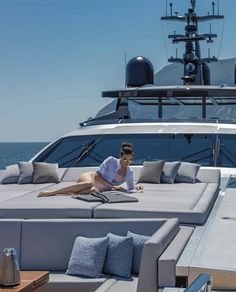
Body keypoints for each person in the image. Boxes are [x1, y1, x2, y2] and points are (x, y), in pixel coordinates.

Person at [38, 142, 142, 197]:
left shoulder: (129, 172)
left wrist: (137, 187)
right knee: (88, 184)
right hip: (91, 177)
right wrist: (113, 187)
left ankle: (64, 193)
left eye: (130, 160)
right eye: (124, 159)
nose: (127, 162)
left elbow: (130, 188)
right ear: (120, 156)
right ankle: (52, 192)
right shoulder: (111, 160)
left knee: (93, 190)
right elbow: (97, 175)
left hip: (100, 188)